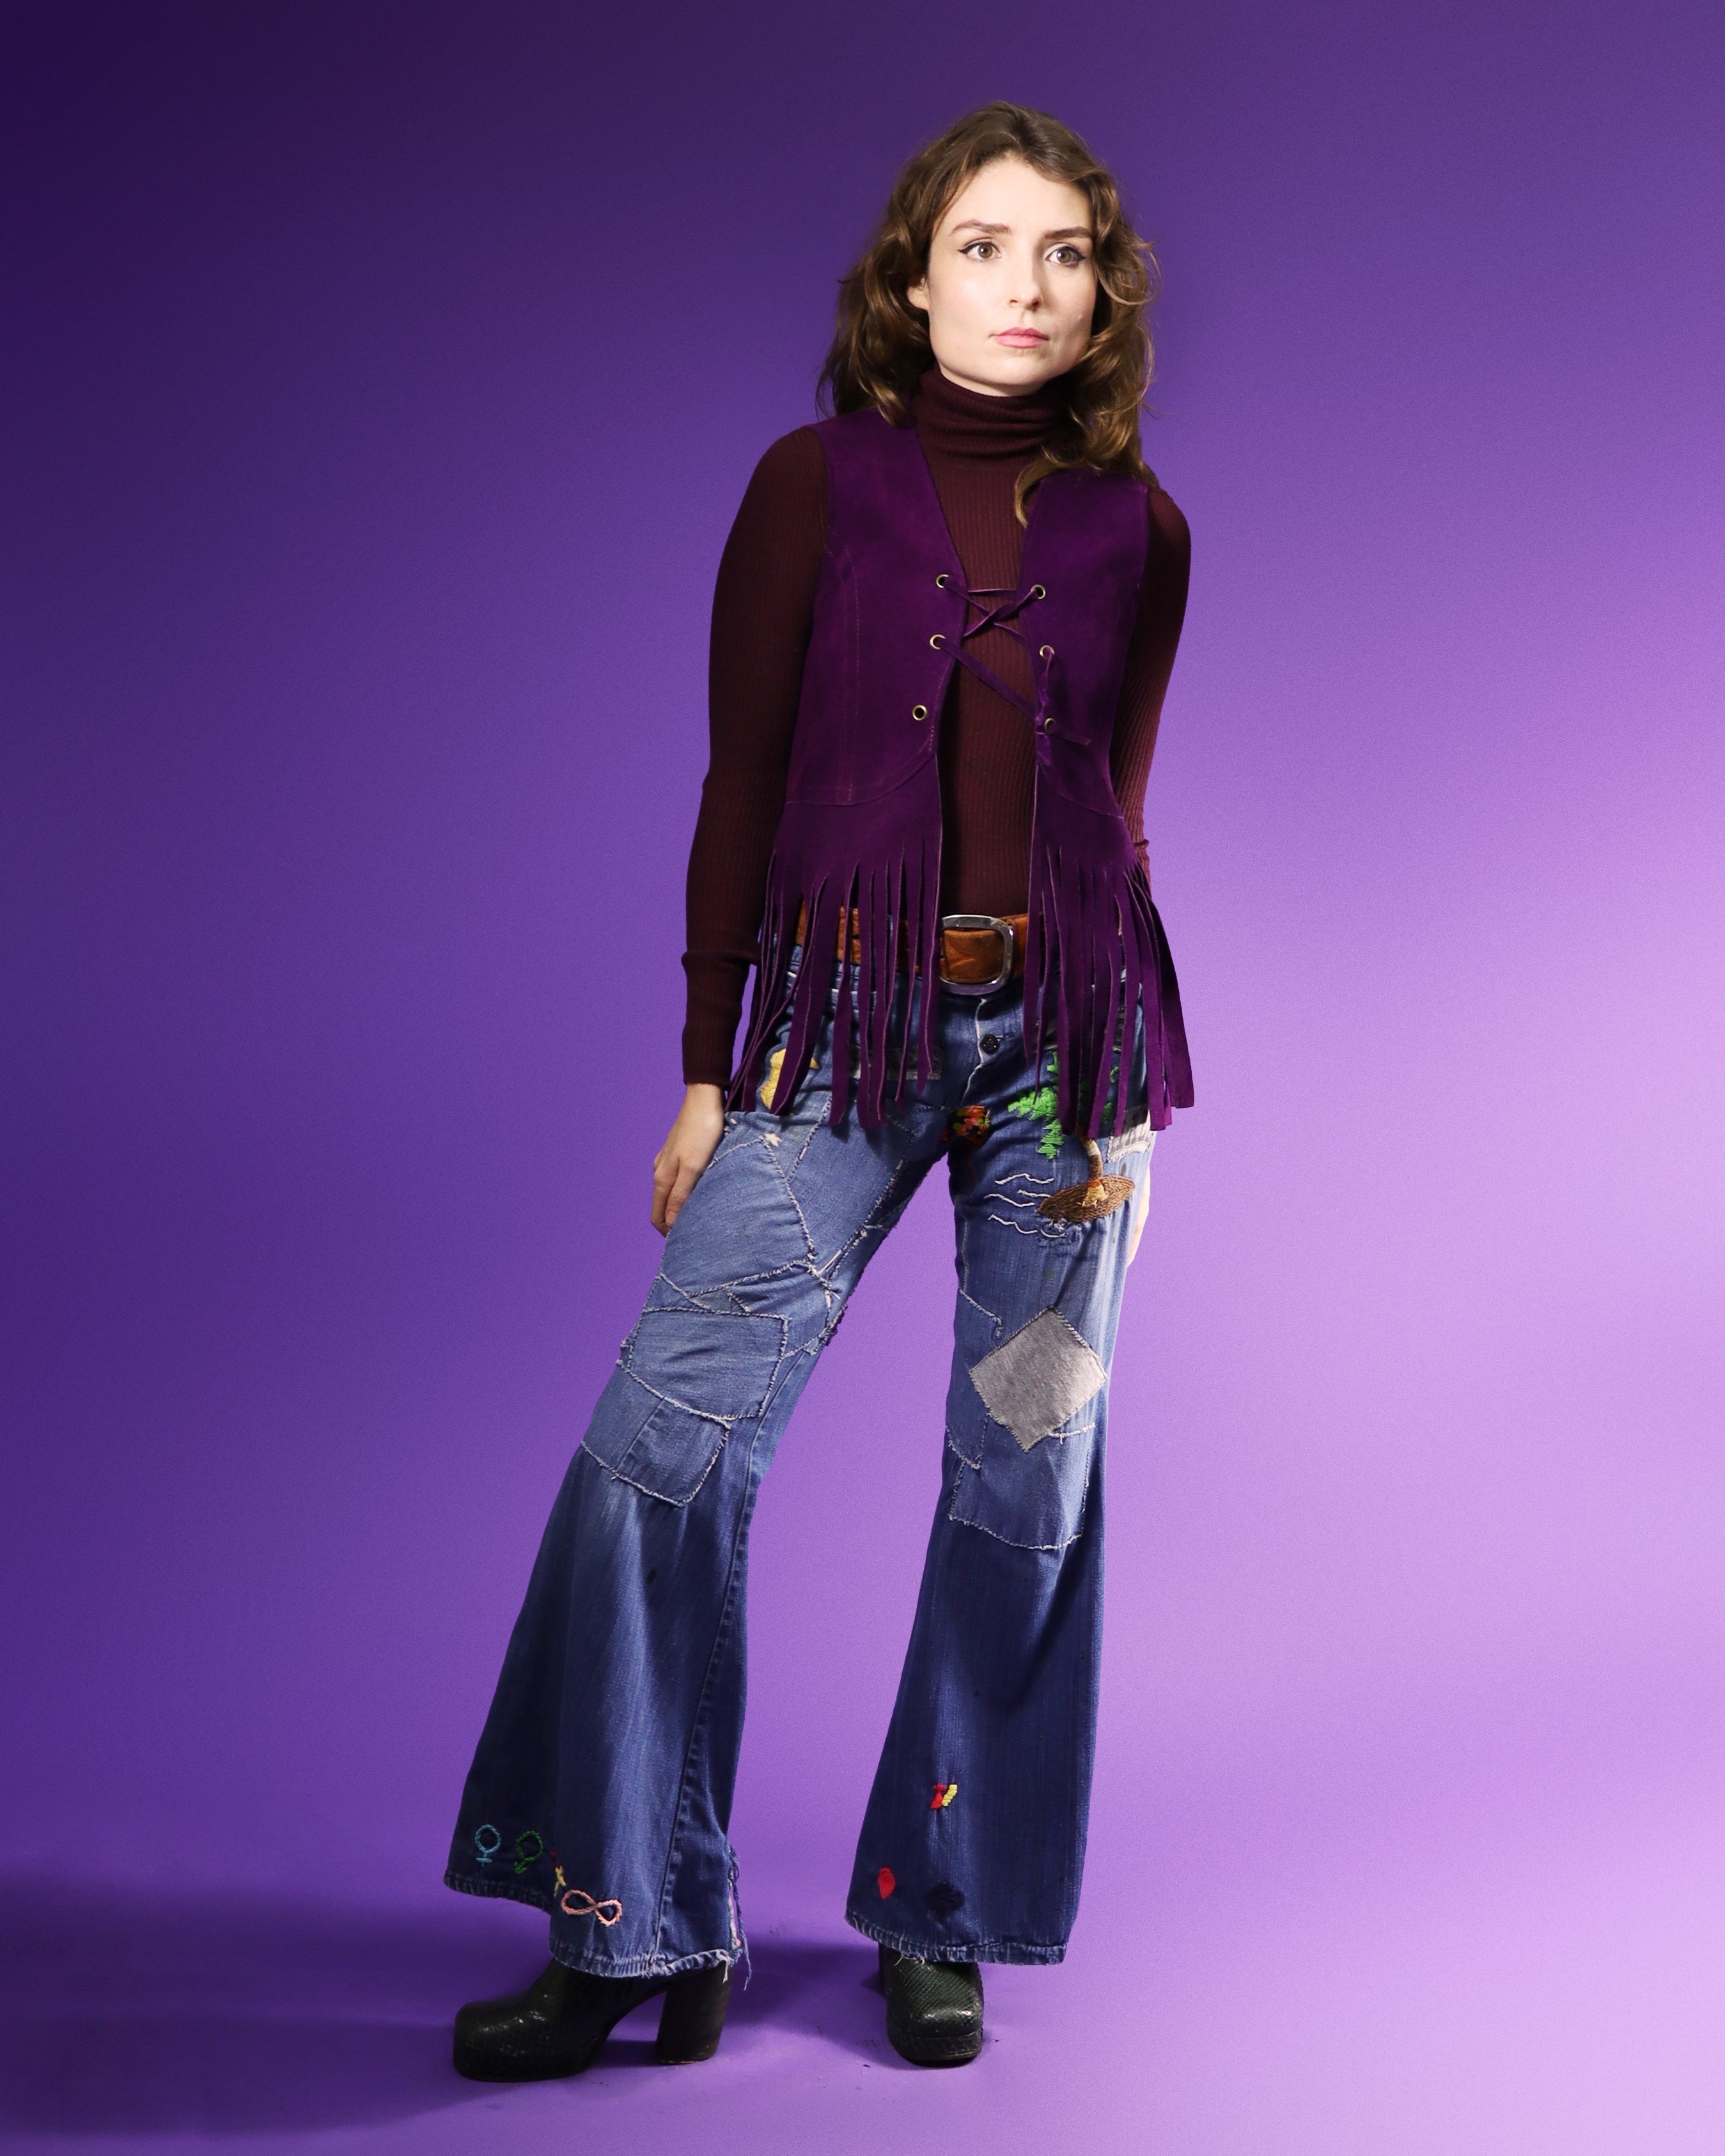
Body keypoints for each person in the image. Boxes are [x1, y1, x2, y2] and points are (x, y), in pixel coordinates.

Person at [446, 100, 1193, 2078]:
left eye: (1062, 254)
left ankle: (939, 1915)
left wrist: (1120, 1093)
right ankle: (633, 1920)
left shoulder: (1142, 529)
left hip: (1066, 1079)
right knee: (660, 1447)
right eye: (983, 248)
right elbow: (744, 783)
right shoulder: (814, 486)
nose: (1025, 288)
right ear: (911, 280)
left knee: (1023, 1475)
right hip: (838, 1039)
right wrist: (708, 1067)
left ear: (1099, 292)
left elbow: (1116, 816)